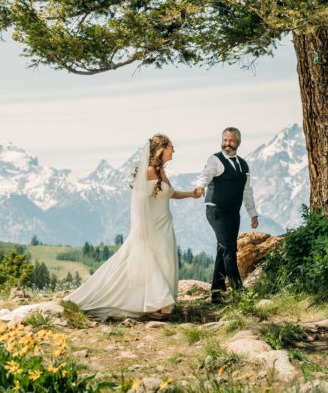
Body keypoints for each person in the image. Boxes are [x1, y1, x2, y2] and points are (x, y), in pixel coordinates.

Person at [64, 134, 202, 319]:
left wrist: (190, 194)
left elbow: (168, 193)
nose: (174, 150)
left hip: (164, 225)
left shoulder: (161, 170)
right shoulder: (150, 171)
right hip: (151, 226)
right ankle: (151, 305)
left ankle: (159, 303)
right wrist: (141, 228)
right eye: (171, 147)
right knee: (150, 263)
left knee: (164, 262)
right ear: (161, 149)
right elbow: (139, 202)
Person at [193, 127, 258, 305]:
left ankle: (216, 293)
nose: (227, 144)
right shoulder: (215, 159)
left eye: (231, 141)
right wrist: (200, 186)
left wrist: (253, 214)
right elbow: (205, 175)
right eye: (225, 140)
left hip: (233, 212)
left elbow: (246, 192)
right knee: (229, 249)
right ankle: (239, 294)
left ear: (238, 143)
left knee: (223, 249)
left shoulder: (243, 165)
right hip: (216, 209)